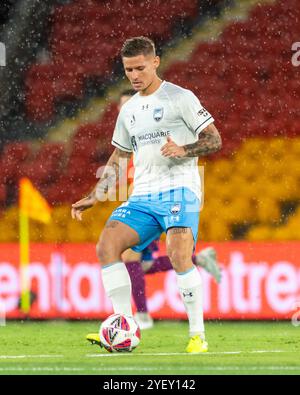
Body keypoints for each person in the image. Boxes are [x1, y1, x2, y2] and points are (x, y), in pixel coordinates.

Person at [71, 36, 222, 353]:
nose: (135, 75)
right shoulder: (129, 110)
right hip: (143, 195)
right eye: (128, 70)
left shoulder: (180, 98)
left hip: (179, 189)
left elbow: (213, 140)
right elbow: (119, 156)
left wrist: (184, 149)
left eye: (140, 67)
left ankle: (197, 336)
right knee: (107, 245)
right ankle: (123, 327)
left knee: (180, 254)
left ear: (156, 62)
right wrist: (95, 195)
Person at [118, 89, 221, 330]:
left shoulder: (160, 129)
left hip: (168, 199)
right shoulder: (134, 142)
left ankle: (142, 316)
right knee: (139, 264)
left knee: (131, 258)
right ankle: (200, 260)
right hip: (143, 202)